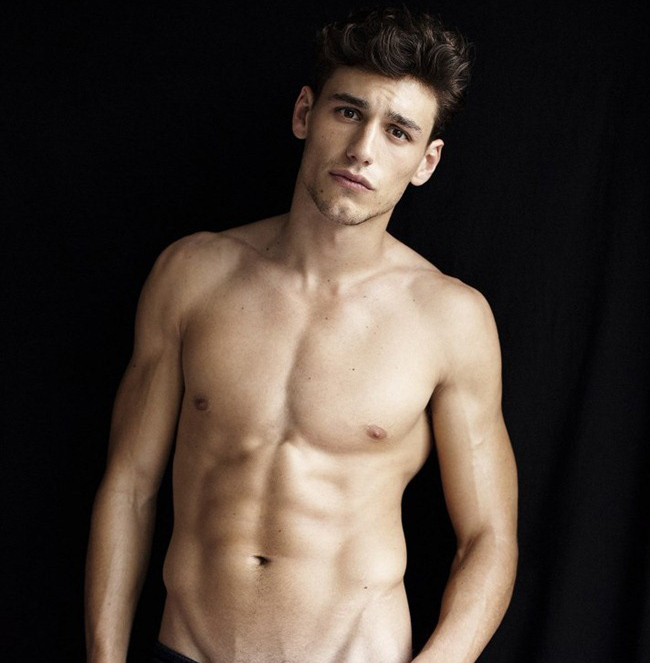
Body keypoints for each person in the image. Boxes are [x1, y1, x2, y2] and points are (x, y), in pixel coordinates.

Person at [85, 5, 518, 663]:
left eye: (397, 132)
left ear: (426, 162)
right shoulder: (191, 275)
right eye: (348, 112)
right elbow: (129, 486)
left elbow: (488, 536)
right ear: (304, 114)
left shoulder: (450, 319)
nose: (363, 149)